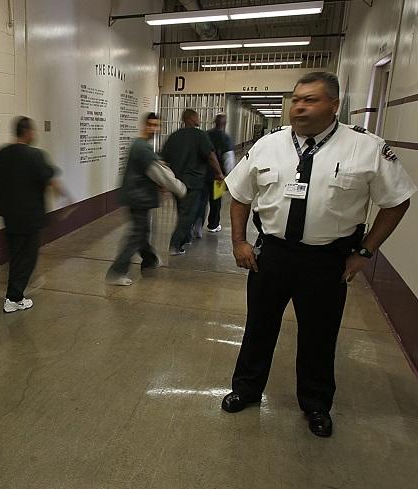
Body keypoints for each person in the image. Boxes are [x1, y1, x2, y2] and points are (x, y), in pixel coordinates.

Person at [220, 72, 416, 438]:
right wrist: (238, 242)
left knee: (319, 336)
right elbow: (240, 194)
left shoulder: (365, 148)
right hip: (272, 256)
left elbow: (397, 201)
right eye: (296, 99)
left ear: (334, 105)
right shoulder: (269, 145)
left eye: (310, 99)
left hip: (327, 262)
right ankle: (246, 389)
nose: (300, 106)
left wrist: (364, 252)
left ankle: (315, 404)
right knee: (259, 329)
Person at [0, 117, 69, 313]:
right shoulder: (35, 155)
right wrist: (65, 197)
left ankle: (14, 293)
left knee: (16, 256)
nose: (34, 134)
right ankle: (14, 298)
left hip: (9, 216)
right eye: (33, 131)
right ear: (27, 132)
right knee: (27, 258)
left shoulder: (1, 155)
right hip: (29, 217)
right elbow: (50, 178)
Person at [106, 112, 186, 285]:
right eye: (150, 124)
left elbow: (154, 169)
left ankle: (150, 259)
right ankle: (117, 271)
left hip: (138, 197)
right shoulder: (142, 147)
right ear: (144, 126)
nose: (153, 128)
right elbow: (159, 173)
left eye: (156, 125)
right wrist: (179, 188)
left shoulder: (142, 146)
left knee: (141, 233)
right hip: (138, 198)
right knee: (137, 234)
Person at [162, 109, 224, 255]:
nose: (199, 118)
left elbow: (164, 160)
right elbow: (210, 156)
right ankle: (175, 244)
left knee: (183, 212)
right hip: (194, 182)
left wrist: (163, 182)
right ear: (191, 118)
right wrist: (219, 173)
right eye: (197, 116)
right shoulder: (200, 135)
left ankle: (187, 237)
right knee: (190, 214)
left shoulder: (174, 136)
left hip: (176, 182)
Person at [204, 114, 233, 233]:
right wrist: (228, 176)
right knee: (216, 202)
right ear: (225, 123)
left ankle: (196, 227)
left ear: (214, 122)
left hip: (203, 174)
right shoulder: (226, 138)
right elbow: (228, 159)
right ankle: (213, 225)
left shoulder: (205, 135)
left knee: (201, 202)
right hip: (218, 176)